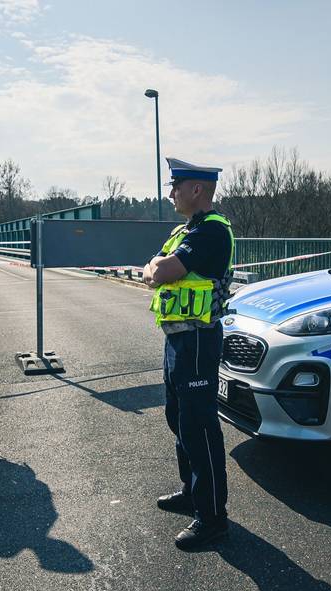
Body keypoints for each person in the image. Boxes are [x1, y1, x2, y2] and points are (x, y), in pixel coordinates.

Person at [143, 157, 235, 551]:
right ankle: (191, 490)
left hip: (198, 340)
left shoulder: (211, 231)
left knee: (199, 425)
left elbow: (161, 272)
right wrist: (157, 267)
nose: (171, 193)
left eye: (176, 186)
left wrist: (158, 268)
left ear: (197, 189)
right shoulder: (187, 230)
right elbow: (151, 267)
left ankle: (212, 516)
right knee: (177, 417)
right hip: (177, 339)